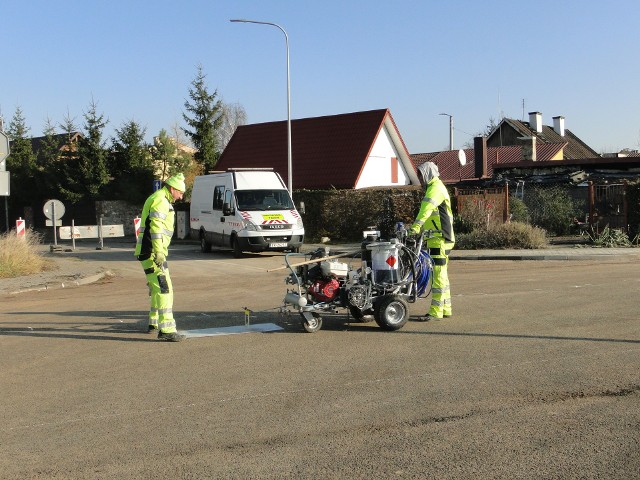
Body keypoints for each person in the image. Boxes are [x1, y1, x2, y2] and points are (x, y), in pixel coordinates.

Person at [134, 173, 186, 341]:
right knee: (164, 288)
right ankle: (167, 330)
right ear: (172, 189)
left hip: (148, 251)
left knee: (157, 287)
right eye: (180, 192)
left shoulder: (159, 198)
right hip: (153, 252)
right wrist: (159, 252)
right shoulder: (161, 201)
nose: (181, 196)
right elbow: (156, 230)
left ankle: (153, 322)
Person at [409, 162, 455, 321]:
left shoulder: (435, 189)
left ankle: (436, 311)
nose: (420, 180)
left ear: (427, 174)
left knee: (438, 275)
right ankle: (446, 308)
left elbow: (426, 210)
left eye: (421, 176)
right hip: (440, 238)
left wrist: (415, 228)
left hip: (440, 239)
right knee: (442, 274)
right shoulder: (436, 187)